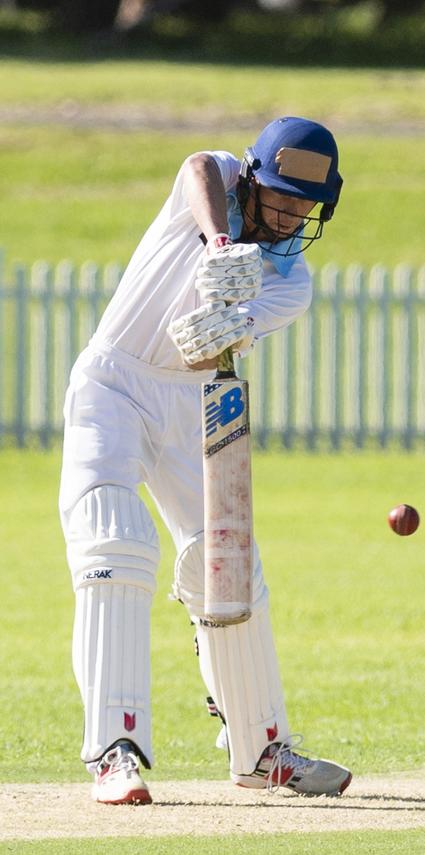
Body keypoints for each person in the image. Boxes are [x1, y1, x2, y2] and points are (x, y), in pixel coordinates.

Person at [59, 116, 352, 805]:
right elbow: (198, 162)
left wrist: (227, 318)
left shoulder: (291, 282)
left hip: (194, 401)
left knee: (230, 564)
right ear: (251, 179)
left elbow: (198, 353)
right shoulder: (213, 183)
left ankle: (261, 750)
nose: (288, 214)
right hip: (113, 383)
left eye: (303, 205)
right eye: (278, 195)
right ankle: (114, 750)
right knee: (116, 540)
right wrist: (219, 241)